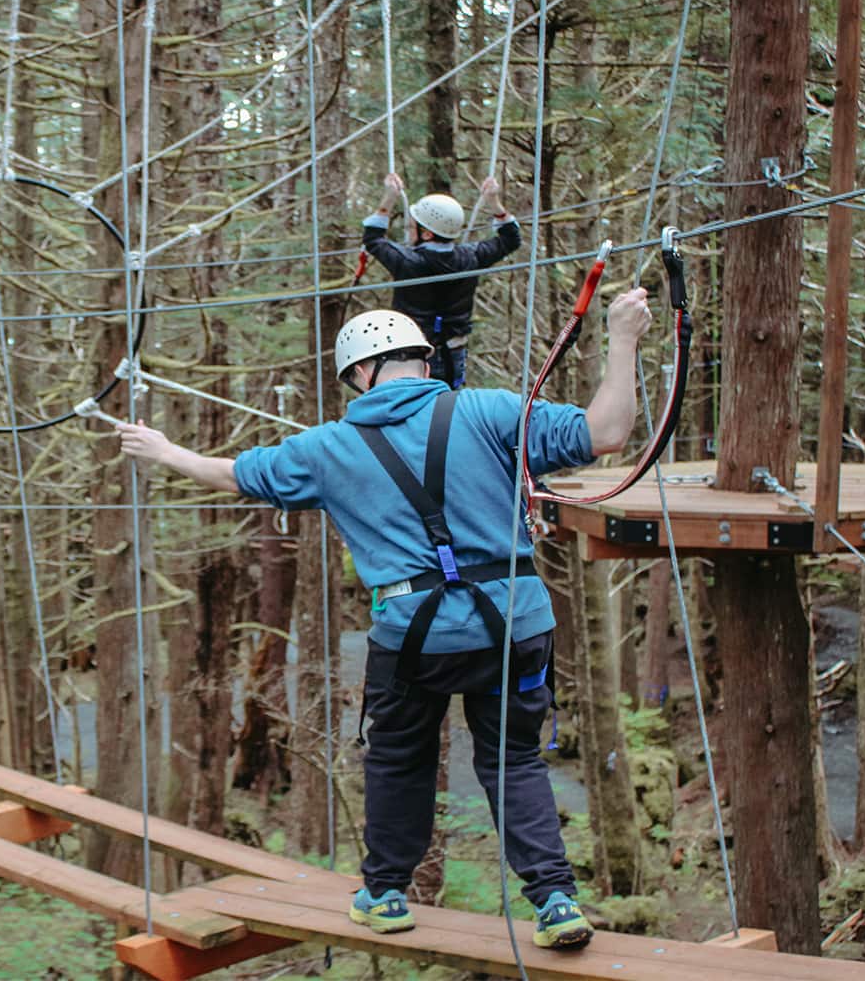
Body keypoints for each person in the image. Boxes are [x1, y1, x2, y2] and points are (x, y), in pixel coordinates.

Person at [114, 297, 652, 948]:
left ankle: (387, 894)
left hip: (415, 634)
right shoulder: (490, 411)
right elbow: (606, 433)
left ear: (359, 376)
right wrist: (622, 338)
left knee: (400, 759)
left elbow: (232, 475)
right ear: (424, 362)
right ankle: (556, 901)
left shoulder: (328, 448)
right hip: (515, 622)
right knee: (514, 759)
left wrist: (164, 450)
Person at [362, 172, 523, 388]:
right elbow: (511, 239)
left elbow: (372, 239)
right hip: (453, 352)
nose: (409, 229)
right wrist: (494, 202)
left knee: (413, 405)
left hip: (413, 356)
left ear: (427, 234)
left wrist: (388, 199)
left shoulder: (407, 261)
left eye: (412, 226)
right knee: (448, 405)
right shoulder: (471, 257)